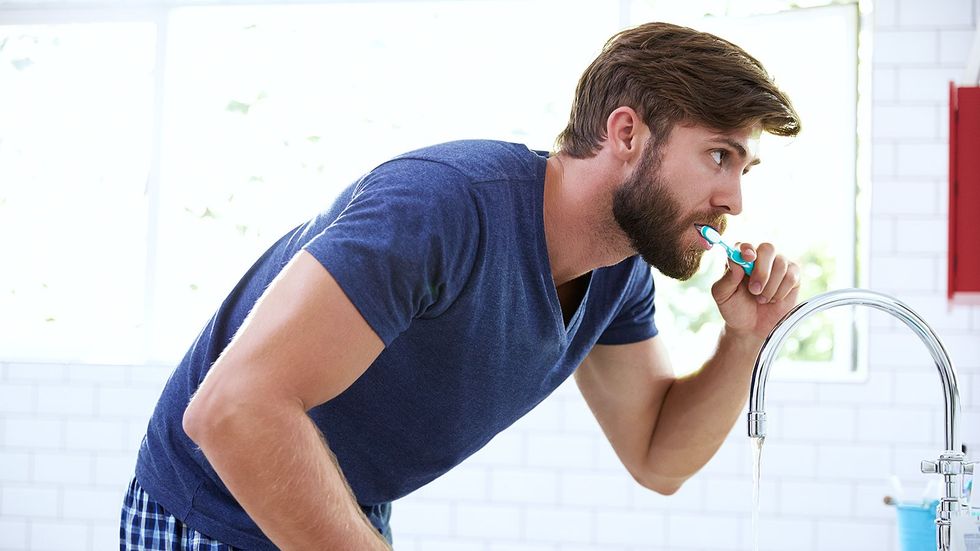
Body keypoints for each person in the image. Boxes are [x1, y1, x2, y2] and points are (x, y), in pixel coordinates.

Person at [121, 21, 802, 551]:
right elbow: (231, 410)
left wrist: (743, 342)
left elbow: (658, 456)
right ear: (627, 132)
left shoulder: (617, 272)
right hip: (209, 510)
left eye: (745, 168)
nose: (734, 199)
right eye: (720, 155)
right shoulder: (443, 207)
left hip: (338, 507)